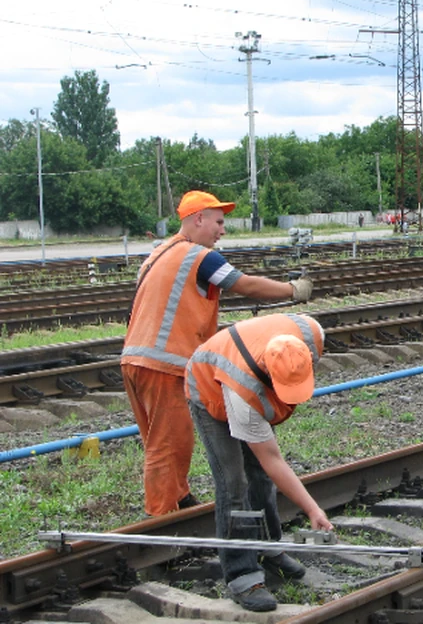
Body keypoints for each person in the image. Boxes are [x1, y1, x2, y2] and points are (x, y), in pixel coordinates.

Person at [122, 190, 315, 517]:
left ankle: (180, 501)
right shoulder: (199, 256)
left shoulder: (157, 254)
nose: (222, 230)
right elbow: (245, 285)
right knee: (168, 447)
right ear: (198, 218)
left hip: (135, 360)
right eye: (219, 221)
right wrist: (293, 291)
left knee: (162, 441)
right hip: (164, 364)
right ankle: (163, 526)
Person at [185, 313, 332, 612]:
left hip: (237, 370)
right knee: (234, 482)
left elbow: (267, 467)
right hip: (207, 385)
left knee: (260, 478)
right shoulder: (244, 393)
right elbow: (273, 460)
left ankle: (269, 548)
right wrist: (312, 509)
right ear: (268, 374)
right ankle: (242, 575)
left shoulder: (311, 332)